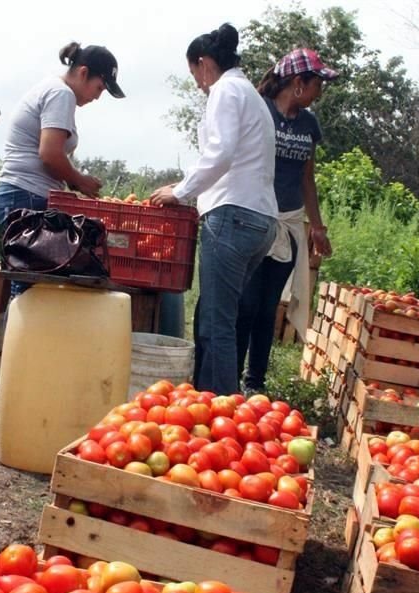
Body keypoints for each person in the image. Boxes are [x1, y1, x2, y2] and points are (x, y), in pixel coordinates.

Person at [151, 24, 278, 395]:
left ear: (204, 63)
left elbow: (219, 153)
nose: (198, 84)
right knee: (210, 315)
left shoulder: (225, 91)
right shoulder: (251, 95)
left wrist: (181, 191)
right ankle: (204, 401)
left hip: (232, 215)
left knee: (217, 322)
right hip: (260, 219)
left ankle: (223, 411)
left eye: (195, 74)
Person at [236, 48, 338, 394]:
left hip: (289, 224)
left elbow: (307, 179)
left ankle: (255, 382)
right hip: (254, 219)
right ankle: (230, 379)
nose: (320, 92)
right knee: (246, 304)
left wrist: (318, 227)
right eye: (317, 84)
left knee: (267, 308)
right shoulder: (260, 111)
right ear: (298, 83)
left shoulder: (309, 124)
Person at [0, 42, 125, 293]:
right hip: (25, 196)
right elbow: (50, 154)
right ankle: (22, 333)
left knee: (33, 285)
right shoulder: (61, 94)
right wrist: (80, 180)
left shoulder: (55, 91)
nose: (98, 96)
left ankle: (22, 332)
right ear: (83, 73)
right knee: (30, 288)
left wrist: (73, 182)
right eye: (99, 88)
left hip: (24, 195)